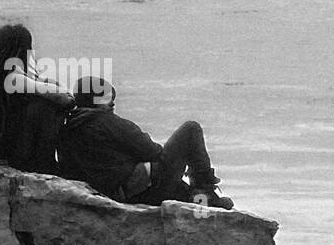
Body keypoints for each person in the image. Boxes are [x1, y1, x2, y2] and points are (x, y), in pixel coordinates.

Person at [58, 76, 233, 209]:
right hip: (142, 194)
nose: (112, 103)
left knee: (170, 183)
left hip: (112, 195)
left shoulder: (68, 130)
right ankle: (205, 191)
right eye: (106, 99)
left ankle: (199, 199)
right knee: (190, 129)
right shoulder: (107, 123)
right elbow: (153, 151)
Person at [0, 24, 75, 174]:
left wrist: (47, 83)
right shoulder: (13, 77)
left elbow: (41, 84)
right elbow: (62, 98)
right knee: (44, 106)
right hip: (5, 151)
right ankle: (42, 164)